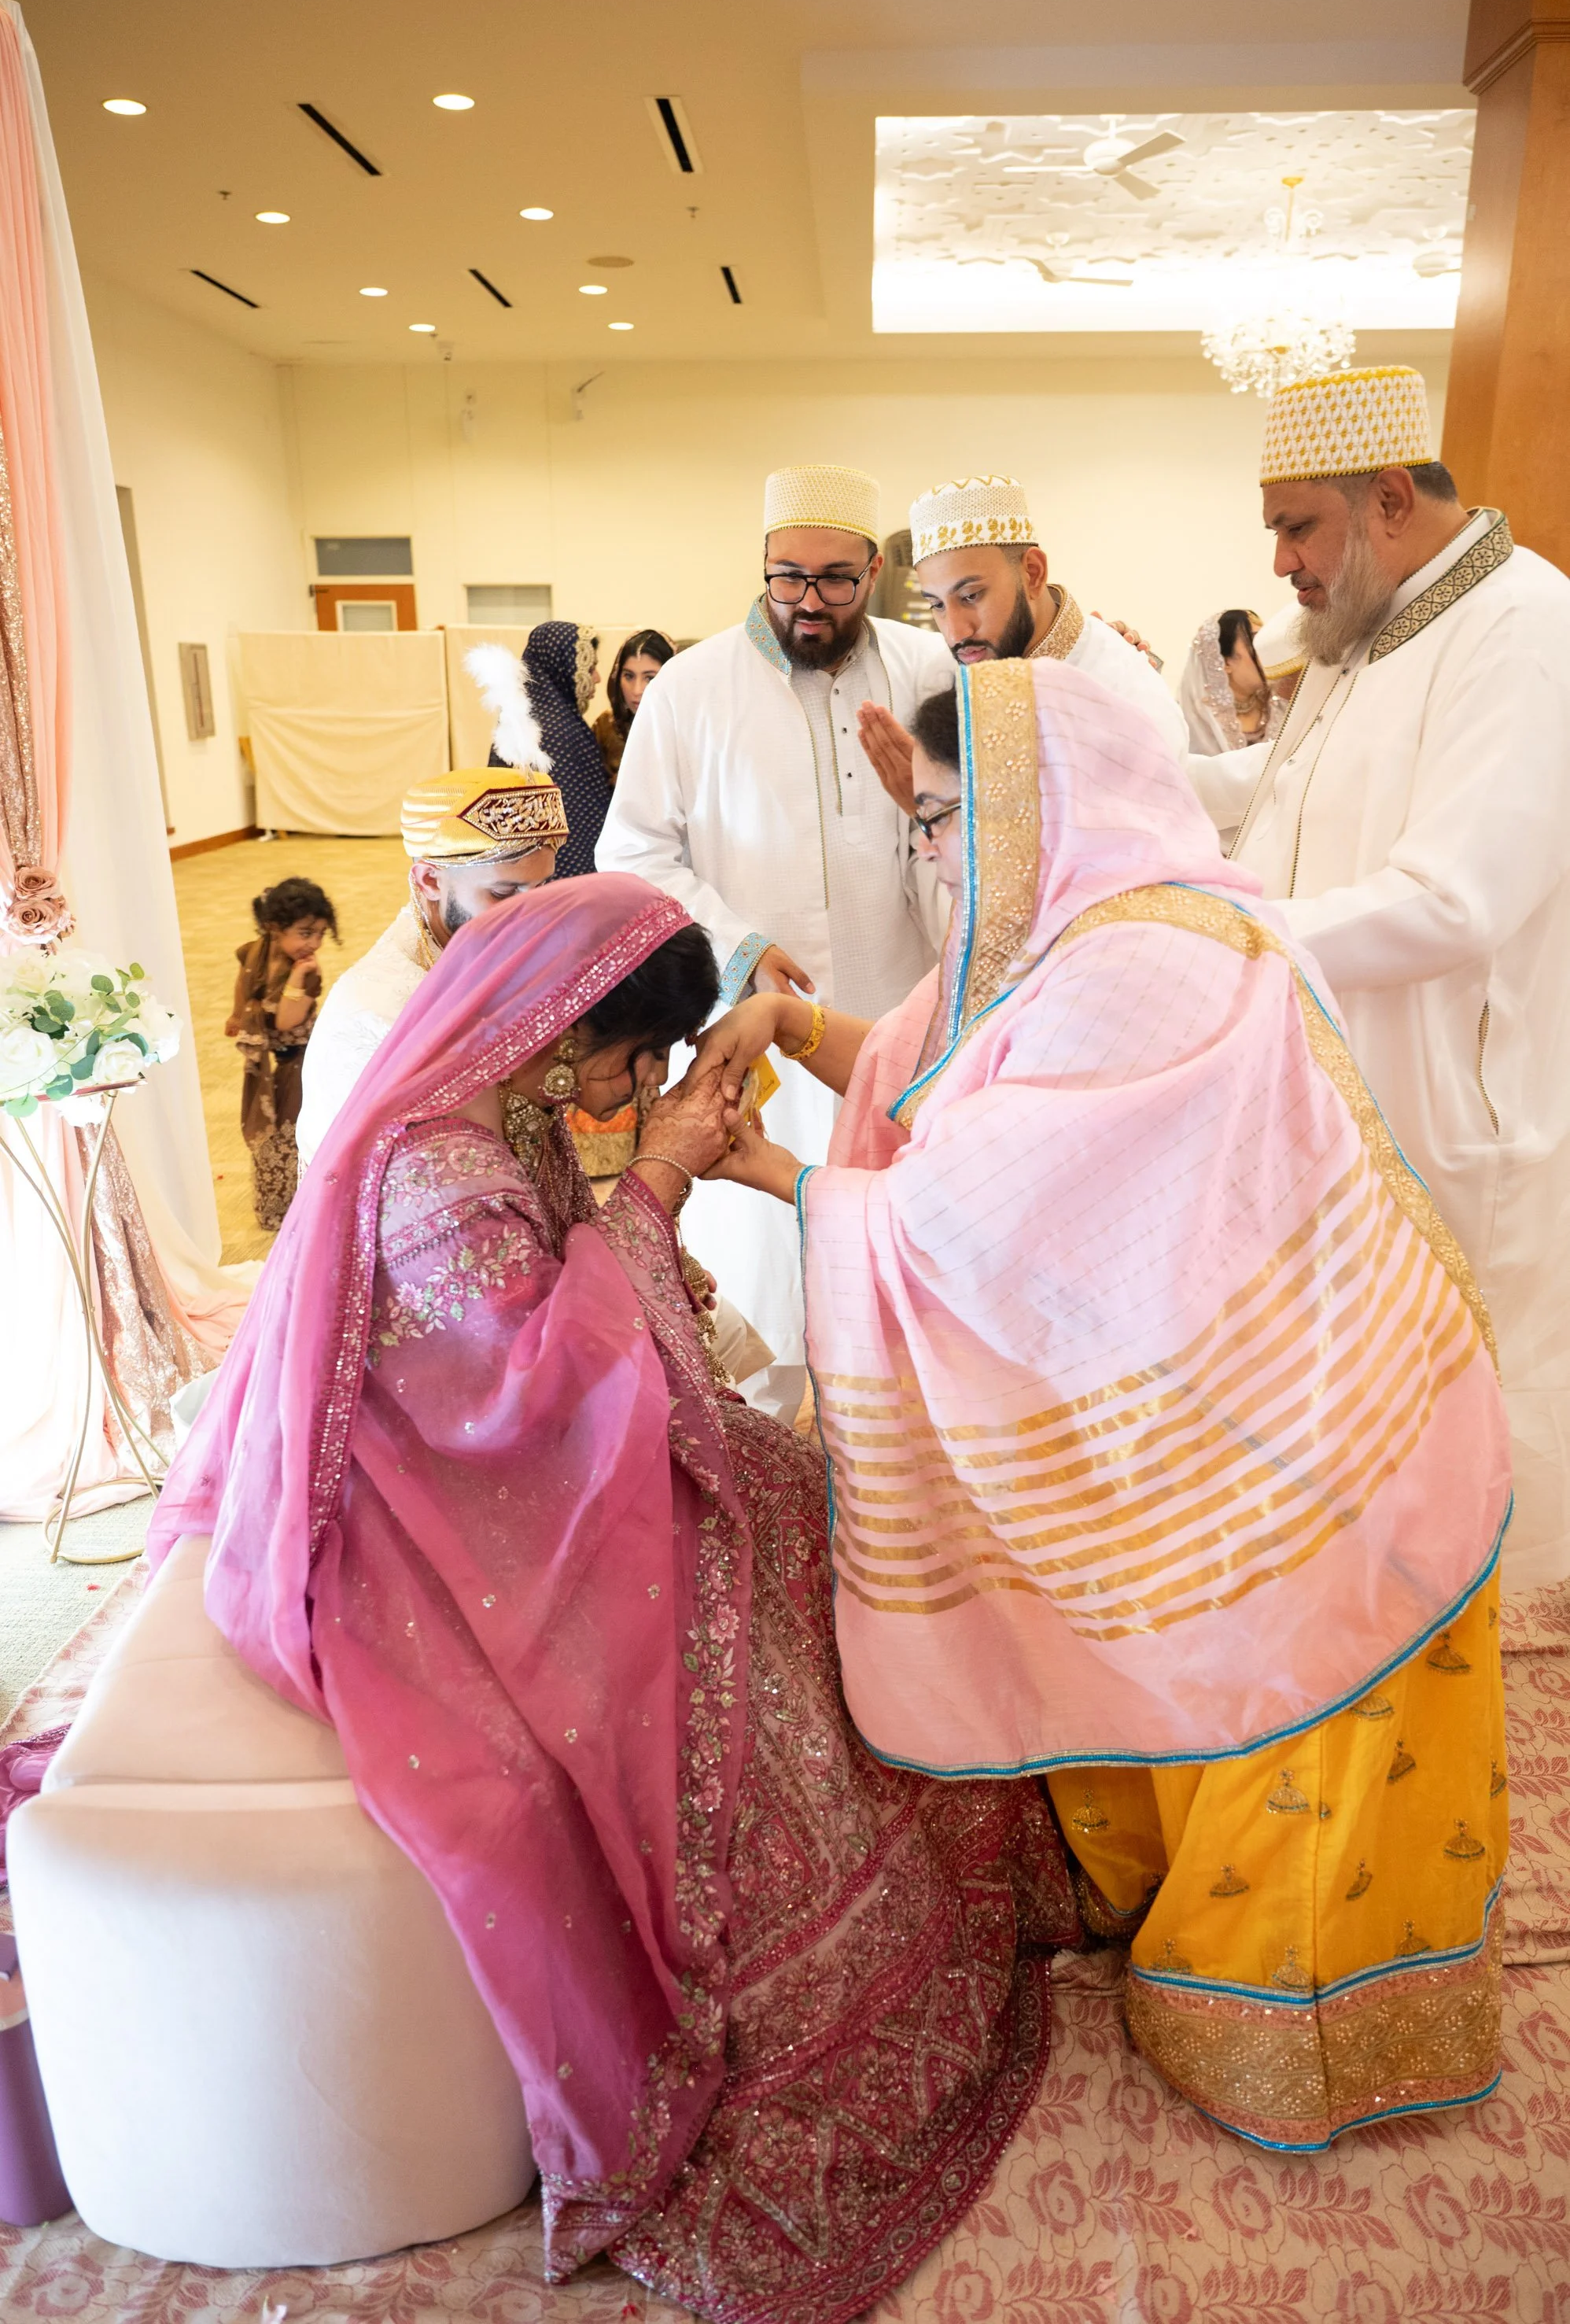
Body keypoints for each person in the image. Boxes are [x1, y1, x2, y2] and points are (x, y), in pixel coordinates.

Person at [147, 875, 1080, 2319]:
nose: (637, 1086)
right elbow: (524, 1391)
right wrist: (652, 1187)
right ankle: (802, 1962)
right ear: (560, 1021)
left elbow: (562, 1310)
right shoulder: (431, 1162)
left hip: (516, 1455)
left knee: (804, 1500)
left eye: (653, 1065)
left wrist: (644, 1214)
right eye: (632, 1057)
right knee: (758, 1580)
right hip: (443, 1507)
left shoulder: (498, 1099)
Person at [695, 657, 1511, 2152]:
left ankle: (1306, 2034)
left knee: (1278, 1733)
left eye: (944, 819)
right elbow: (930, 1063)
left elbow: (986, 1208)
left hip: (1315, 1449)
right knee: (1143, 1655)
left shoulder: (1161, 959)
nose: (931, 853)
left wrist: (786, 1185)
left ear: (1041, 806)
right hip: (1247, 1409)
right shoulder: (1077, 932)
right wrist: (786, 1035)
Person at [1183, 363, 1570, 1595]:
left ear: (1390, 496)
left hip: (1463, 1096)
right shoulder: (1366, 630)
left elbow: (1459, 897)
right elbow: (1276, 792)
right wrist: (1096, 785)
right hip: (1352, 1074)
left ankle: (1500, 1665)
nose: (1284, 563)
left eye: (1299, 526)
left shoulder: (1523, 629)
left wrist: (1229, 940)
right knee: (1377, 1421)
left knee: (1486, 1430)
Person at [596, 462, 956, 1419]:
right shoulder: (690, 686)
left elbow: (973, 833)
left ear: (873, 571)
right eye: (785, 576)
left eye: (834, 579)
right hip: (748, 1029)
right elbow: (629, 849)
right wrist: (736, 944)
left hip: (892, 1012)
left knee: (897, 1264)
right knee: (764, 1274)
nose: (806, 600)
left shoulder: (927, 675)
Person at [854, 472, 1186, 810]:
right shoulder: (944, 675)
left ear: (1032, 573)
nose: (955, 632)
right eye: (937, 605)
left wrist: (944, 808)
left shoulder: (1122, 686)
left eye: (970, 596)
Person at [296, 765, 566, 1171]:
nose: (529, 917)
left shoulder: (496, 949)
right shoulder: (380, 1010)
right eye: (503, 892)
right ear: (430, 881)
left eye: (542, 888)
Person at [226, 876, 337, 1229]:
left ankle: (300, 1210)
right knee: (273, 1131)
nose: (314, 943)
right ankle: (277, 1208)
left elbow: (288, 1021)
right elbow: (244, 981)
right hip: (280, 1060)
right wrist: (237, 1012)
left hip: (304, 1060)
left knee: (292, 1131)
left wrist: (297, 977)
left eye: (320, 933)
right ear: (275, 928)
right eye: (306, 933)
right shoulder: (254, 952)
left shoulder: (307, 973)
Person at [471, 623, 611, 877]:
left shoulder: (527, 719)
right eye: (589, 668)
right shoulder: (557, 731)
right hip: (562, 885)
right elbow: (578, 835)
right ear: (562, 668)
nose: (597, 677)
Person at [1178, 607, 1290, 758]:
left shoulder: (1280, 707)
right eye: (1256, 643)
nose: (1265, 651)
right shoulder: (1197, 721)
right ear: (1225, 662)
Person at [594, 628, 675, 786]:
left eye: (650, 678)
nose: (637, 690)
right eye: (629, 676)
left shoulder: (687, 728)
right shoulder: (606, 727)